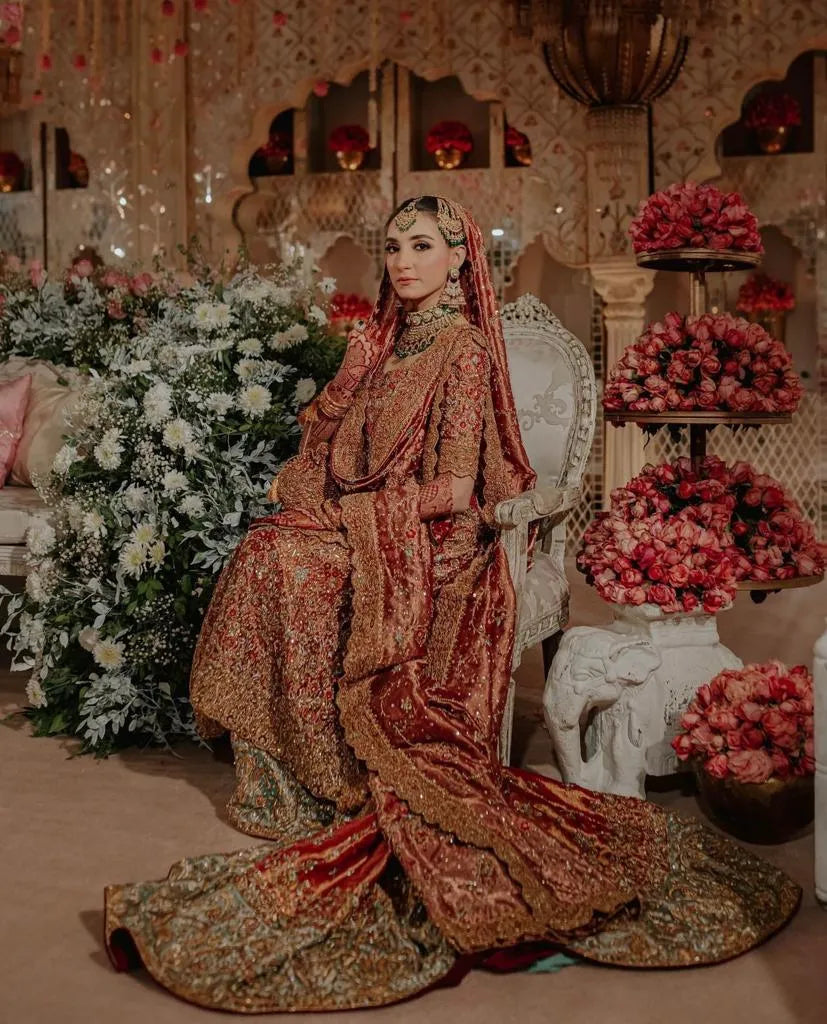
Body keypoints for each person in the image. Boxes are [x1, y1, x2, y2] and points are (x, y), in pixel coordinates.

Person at [104, 197, 800, 1013]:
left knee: (284, 560)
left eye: (423, 246)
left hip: (435, 542)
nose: (403, 262)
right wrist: (348, 385)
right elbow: (319, 449)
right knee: (269, 549)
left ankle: (333, 770)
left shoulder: (464, 350)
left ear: (460, 259)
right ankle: (287, 779)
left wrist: (354, 515)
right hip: (371, 524)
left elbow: (456, 488)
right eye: (394, 246)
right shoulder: (386, 340)